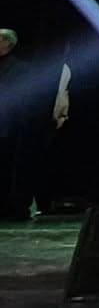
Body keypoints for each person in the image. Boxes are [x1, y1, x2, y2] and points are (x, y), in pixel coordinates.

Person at [0, 31, 69, 221]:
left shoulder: (22, 70)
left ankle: (13, 208)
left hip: (9, 130)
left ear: (7, 45)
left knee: (11, 172)